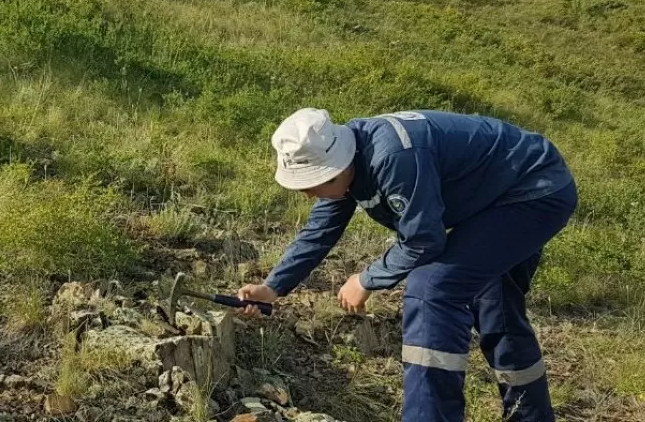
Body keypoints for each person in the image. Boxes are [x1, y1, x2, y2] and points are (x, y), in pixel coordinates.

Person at [236, 108, 578, 422]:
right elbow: (319, 231)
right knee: (496, 304)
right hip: (499, 196)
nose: (309, 195)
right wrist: (273, 287)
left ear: (337, 166)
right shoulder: (347, 169)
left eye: (312, 184)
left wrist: (366, 279)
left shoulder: (393, 157)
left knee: (433, 289)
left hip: (534, 191)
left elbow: (424, 241)